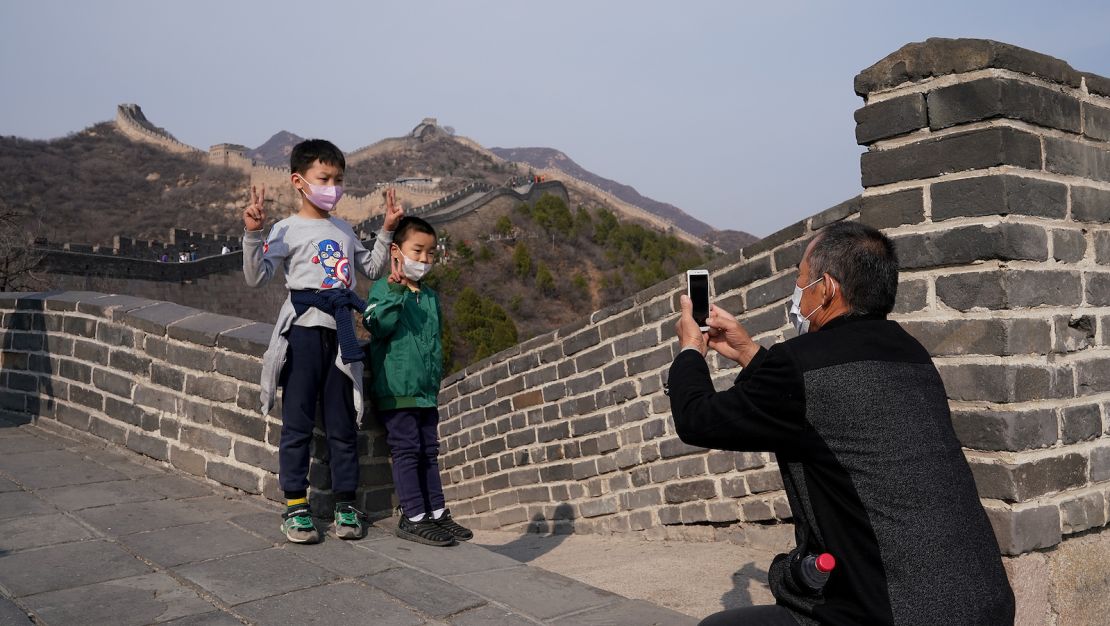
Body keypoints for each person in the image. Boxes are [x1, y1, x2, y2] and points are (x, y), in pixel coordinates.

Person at [668, 221, 1014, 625]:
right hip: (985, 601)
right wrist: (748, 352)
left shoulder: (800, 362)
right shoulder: (911, 354)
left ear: (827, 288)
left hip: (892, 613)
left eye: (801, 280)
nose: (797, 294)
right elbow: (825, 405)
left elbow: (697, 419)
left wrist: (690, 351)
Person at [242, 139, 404, 544]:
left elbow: (369, 267)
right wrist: (252, 232)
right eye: (324, 178)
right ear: (299, 181)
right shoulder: (286, 229)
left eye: (338, 179)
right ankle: (295, 505)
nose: (332, 186)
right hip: (303, 333)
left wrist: (386, 229)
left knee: (342, 424)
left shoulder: (344, 229)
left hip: (342, 333)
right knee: (296, 422)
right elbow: (256, 276)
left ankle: (345, 503)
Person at [362, 215, 473, 547]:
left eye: (431, 253)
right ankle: (413, 516)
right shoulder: (385, 288)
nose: (424, 260)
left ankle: (436, 513)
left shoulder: (429, 297)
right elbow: (375, 325)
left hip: (425, 392)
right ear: (396, 251)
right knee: (408, 451)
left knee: (429, 451)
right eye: (418, 251)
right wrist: (396, 290)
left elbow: (434, 343)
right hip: (398, 392)